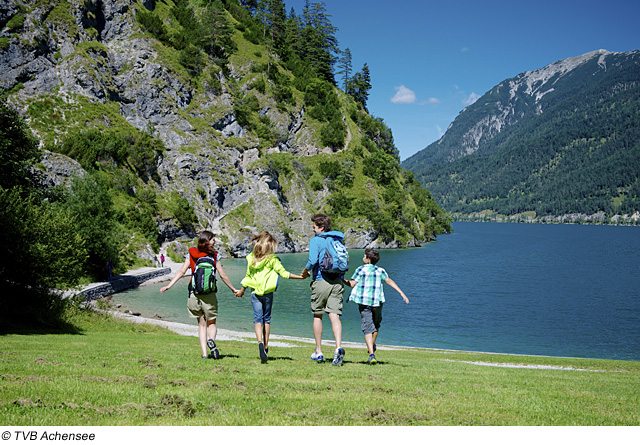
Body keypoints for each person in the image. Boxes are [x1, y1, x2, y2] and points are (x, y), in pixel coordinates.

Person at [160, 231, 238, 359]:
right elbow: (223, 275)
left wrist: (169, 285)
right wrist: (233, 289)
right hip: (209, 294)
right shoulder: (214, 255)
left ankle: (204, 354)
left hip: (194, 293)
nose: (214, 242)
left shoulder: (191, 253)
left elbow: (181, 271)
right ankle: (211, 340)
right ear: (208, 241)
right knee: (211, 323)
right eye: (213, 240)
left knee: (201, 324)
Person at [234, 231, 304, 363]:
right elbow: (284, 274)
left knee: (257, 320)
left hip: (255, 293)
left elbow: (248, 277)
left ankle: (259, 342)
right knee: (267, 319)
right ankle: (266, 347)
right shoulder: (272, 260)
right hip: (268, 293)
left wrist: (242, 290)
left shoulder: (251, 258)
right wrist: (301, 277)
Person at [343, 249, 409, 364]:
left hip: (364, 302)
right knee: (376, 324)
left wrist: (341, 279)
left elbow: (352, 284)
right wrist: (401, 292)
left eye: (364, 256)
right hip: (377, 302)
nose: (363, 257)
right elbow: (389, 281)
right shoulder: (380, 270)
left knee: (368, 327)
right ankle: (371, 348)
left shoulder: (360, 269)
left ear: (367, 259)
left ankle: (371, 353)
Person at [300, 213, 347, 366]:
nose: (312, 229)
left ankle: (318, 351)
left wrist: (305, 271)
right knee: (335, 316)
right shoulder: (337, 240)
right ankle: (338, 347)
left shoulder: (316, 241)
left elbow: (313, 260)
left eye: (314, 227)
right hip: (338, 282)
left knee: (318, 315)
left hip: (321, 281)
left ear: (321, 228)